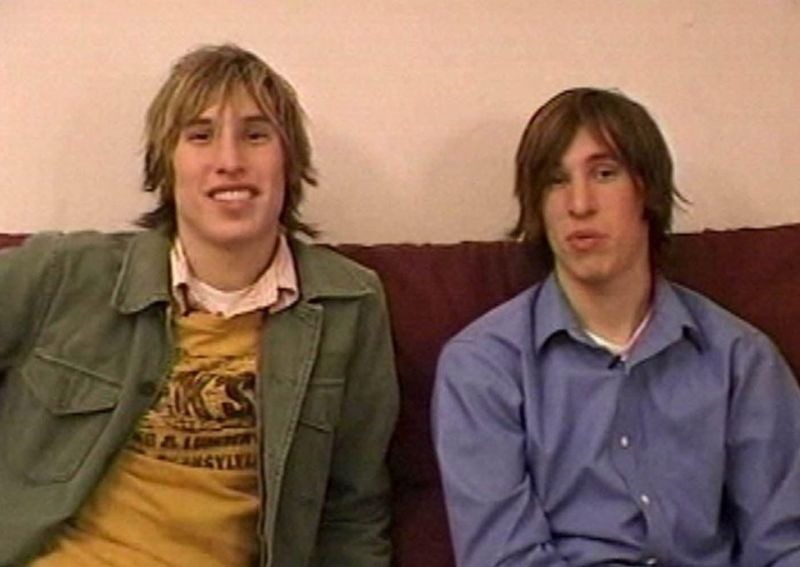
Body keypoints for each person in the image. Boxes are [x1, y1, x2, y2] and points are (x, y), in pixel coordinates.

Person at [0, 44, 398, 566]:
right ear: (166, 164)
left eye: (255, 135)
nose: (229, 162)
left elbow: (352, 512)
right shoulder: (64, 273)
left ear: (289, 161)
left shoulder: (350, 304)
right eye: (200, 135)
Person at [432, 87, 800, 566]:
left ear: (647, 189)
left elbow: (783, 544)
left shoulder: (740, 359)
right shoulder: (482, 367)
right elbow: (504, 558)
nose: (579, 204)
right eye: (555, 181)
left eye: (604, 174)